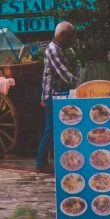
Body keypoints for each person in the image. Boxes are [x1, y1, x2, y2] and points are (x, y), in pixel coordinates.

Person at [37, 20, 78, 172]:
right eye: (69, 36)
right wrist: (78, 83)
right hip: (53, 95)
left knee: (57, 128)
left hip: (59, 94)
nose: (71, 40)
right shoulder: (53, 50)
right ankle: (40, 162)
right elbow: (63, 72)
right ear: (61, 35)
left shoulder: (59, 49)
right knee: (51, 129)